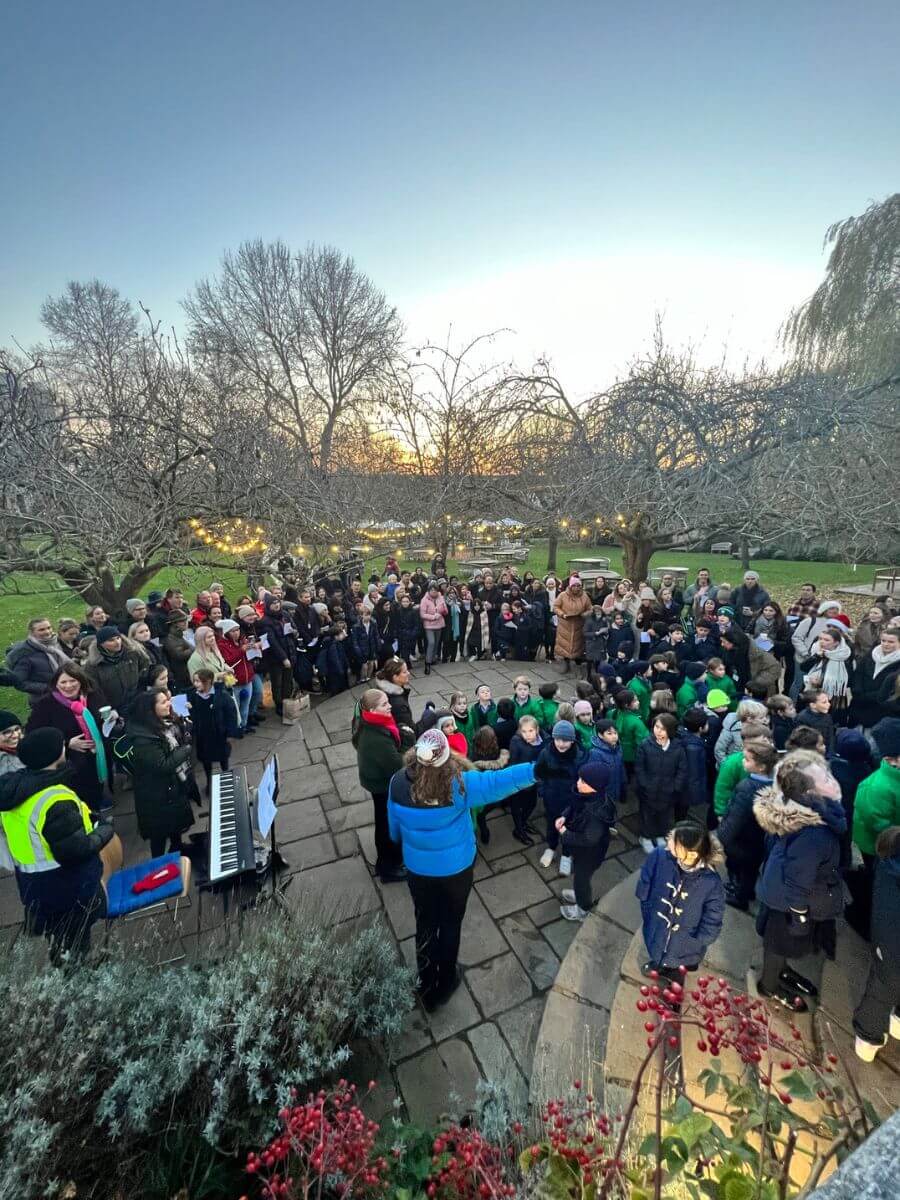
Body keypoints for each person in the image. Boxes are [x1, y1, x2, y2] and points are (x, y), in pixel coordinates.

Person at [387, 727, 537, 1009]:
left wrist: (402, 844)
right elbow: (498, 781)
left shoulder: (396, 783)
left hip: (419, 871)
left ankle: (426, 982)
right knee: (451, 922)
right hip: (456, 870)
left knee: (425, 922)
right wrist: (536, 770)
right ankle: (445, 982)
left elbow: (393, 828)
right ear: (447, 758)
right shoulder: (459, 784)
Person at [0, 727, 115, 963]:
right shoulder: (53, 798)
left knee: (61, 938)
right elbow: (75, 850)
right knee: (76, 940)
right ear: (54, 755)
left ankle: (64, 965)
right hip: (66, 888)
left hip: (35, 887)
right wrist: (105, 830)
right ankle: (78, 980)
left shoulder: (16, 790)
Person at [753, 752, 846, 1011]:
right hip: (788, 898)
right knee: (778, 943)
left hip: (782, 888)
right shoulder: (813, 834)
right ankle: (769, 986)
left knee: (780, 944)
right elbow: (797, 877)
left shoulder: (804, 813)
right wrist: (799, 916)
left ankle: (781, 971)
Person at [636, 821, 725, 979]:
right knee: (658, 947)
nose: (668, 841)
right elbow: (646, 876)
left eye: (674, 841)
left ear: (691, 854)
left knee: (678, 969)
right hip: (658, 922)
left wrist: (702, 938)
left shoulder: (711, 882)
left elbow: (714, 914)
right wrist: (645, 901)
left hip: (686, 941)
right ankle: (658, 964)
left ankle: (674, 991)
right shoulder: (660, 855)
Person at [25, 665, 110, 814]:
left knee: (96, 787)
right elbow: (34, 734)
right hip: (71, 762)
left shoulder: (93, 695)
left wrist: (111, 719)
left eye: (73, 681)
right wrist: (67, 743)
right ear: (55, 684)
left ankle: (97, 807)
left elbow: (104, 712)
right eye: (63, 682)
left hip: (97, 754)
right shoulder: (46, 704)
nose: (68, 686)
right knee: (79, 798)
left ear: (81, 681)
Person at [126, 688, 195, 858]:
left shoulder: (161, 723)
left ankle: (178, 847)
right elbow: (163, 765)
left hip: (171, 788)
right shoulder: (143, 739)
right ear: (150, 709)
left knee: (175, 824)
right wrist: (185, 748)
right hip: (157, 794)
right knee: (159, 834)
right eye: (163, 702)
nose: (169, 704)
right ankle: (158, 864)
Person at [852, 826, 900, 1062]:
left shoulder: (889, 866)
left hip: (889, 946)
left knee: (884, 986)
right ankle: (868, 1038)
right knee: (882, 989)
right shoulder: (891, 871)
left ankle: (887, 1026)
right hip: (892, 948)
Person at [353, 689, 407, 883]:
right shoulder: (376, 738)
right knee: (386, 825)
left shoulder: (373, 723)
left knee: (383, 820)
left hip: (377, 780)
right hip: (383, 786)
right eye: (384, 704)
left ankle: (390, 860)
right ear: (372, 710)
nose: (390, 706)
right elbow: (398, 765)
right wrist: (409, 744)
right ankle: (387, 867)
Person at [718, 738, 778, 911]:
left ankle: (740, 896)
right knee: (751, 870)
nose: (743, 761)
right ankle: (746, 890)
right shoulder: (775, 785)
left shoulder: (747, 788)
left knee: (739, 868)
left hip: (742, 840)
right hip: (760, 839)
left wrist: (722, 837)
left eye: (747, 759)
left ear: (760, 767)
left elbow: (736, 818)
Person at [556, 760, 617, 920]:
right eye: (579, 778)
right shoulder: (588, 797)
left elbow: (589, 839)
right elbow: (574, 807)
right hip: (583, 852)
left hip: (589, 855)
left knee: (581, 881)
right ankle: (579, 895)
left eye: (583, 781)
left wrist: (564, 833)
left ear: (595, 786)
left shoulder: (595, 814)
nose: (578, 782)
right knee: (580, 877)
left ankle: (582, 909)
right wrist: (564, 815)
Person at [535, 720, 586, 872]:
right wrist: (542, 791)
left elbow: (582, 780)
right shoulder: (546, 753)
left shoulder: (579, 757)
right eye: (558, 739)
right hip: (551, 799)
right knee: (551, 825)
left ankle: (566, 854)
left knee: (569, 828)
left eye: (565, 740)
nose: (561, 743)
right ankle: (551, 847)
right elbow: (539, 773)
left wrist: (577, 799)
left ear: (572, 740)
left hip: (571, 803)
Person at [635, 712, 689, 853]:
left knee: (664, 815)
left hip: (668, 791)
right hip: (648, 790)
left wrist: (675, 787)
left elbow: (682, 769)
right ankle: (645, 837)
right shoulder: (645, 745)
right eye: (657, 727)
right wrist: (645, 784)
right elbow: (640, 768)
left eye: (663, 728)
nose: (658, 731)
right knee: (647, 814)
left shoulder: (678, 748)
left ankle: (659, 835)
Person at [187, 669, 238, 792]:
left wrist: (230, 733)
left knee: (223, 758)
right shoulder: (194, 696)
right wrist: (190, 709)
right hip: (203, 735)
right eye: (195, 681)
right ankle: (210, 782)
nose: (196, 684)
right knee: (206, 760)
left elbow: (231, 715)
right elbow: (194, 715)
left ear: (208, 681)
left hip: (219, 734)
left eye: (198, 681)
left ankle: (226, 777)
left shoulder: (222, 696)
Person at [5, 617, 73, 707]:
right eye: (41, 630)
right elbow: (19, 683)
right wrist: (49, 688)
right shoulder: (25, 654)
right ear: (32, 632)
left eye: (49, 628)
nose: (47, 632)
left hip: (68, 693)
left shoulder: (56, 644)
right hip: (44, 701)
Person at [84, 625, 148, 714]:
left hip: (138, 700)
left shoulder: (132, 652)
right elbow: (94, 692)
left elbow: (144, 667)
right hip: (115, 709)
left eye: (118, 638)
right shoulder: (93, 665)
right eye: (111, 640)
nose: (117, 642)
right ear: (101, 644)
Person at [849, 628, 900, 729]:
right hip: (858, 705)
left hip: (880, 710)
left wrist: (868, 697)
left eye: (891, 642)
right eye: (883, 641)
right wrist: (857, 691)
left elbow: (893, 688)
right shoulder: (872, 654)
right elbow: (859, 673)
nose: (886, 644)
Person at [800, 625, 853, 719]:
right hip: (812, 693)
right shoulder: (816, 650)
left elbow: (849, 681)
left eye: (826, 640)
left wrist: (823, 681)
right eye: (820, 638)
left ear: (836, 643)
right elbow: (803, 667)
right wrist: (816, 656)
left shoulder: (844, 656)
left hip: (834, 696)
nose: (822, 642)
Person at [215, 618, 257, 733]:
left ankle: (243, 725)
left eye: (238, 630)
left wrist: (255, 649)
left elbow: (249, 658)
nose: (236, 633)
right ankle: (235, 727)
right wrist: (241, 651)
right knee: (236, 706)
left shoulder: (243, 641)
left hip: (247, 678)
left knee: (245, 705)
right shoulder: (221, 645)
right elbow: (227, 661)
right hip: (233, 680)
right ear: (226, 632)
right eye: (233, 631)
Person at [507, 715, 543, 845]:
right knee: (517, 807)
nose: (527, 735)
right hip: (519, 782)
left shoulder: (541, 741)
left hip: (533, 780)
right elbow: (513, 763)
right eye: (524, 731)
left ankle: (523, 822)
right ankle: (518, 830)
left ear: (537, 730)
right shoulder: (516, 742)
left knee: (532, 804)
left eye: (531, 731)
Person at [258, 596, 296, 715]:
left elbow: (293, 627)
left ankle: (287, 701)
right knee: (278, 682)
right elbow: (271, 642)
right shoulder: (265, 621)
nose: (276, 605)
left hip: (289, 649)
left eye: (277, 602)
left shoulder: (284, 614)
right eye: (273, 603)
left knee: (288, 680)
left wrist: (295, 631)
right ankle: (279, 705)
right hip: (275, 657)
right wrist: (283, 658)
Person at [554, 576, 592, 673]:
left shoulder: (585, 596)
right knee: (564, 644)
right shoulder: (562, 595)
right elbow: (556, 607)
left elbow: (589, 609)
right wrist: (562, 614)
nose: (576, 588)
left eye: (578, 586)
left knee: (578, 645)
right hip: (565, 624)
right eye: (574, 585)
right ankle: (565, 662)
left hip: (579, 624)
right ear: (570, 586)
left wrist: (584, 614)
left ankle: (576, 663)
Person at [609, 689, 650, 780]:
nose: (638, 702)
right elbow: (643, 741)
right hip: (633, 754)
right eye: (635, 701)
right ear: (627, 705)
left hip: (621, 751)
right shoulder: (636, 722)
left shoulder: (616, 713)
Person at [714, 698, 768, 766]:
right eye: (761, 718)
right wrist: (728, 766)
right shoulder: (731, 729)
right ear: (749, 719)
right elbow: (719, 750)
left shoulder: (760, 728)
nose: (765, 720)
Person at [375, 658, 416, 744]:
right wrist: (428, 717)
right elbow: (411, 731)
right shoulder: (397, 703)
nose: (408, 673)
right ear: (395, 677)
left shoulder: (385, 691)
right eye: (404, 672)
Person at [419, 582, 448, 676]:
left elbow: (445, 611)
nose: (434, 592)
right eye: (432, 590)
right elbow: (422, 614)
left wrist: (443, 610)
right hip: (429, 625)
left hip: (439, 624)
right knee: (431, 642)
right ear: (429, 590)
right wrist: (433, 617)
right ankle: (427, 663)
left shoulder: (441, 597)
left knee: (436, 642)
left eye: (435, 590)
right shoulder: (424, 600)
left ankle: (433, 659)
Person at [162, 610, 193, 692]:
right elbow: (179, 655)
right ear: (174, 624)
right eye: (182, 621)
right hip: (181, 677)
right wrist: (194, 648)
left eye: (185, 620)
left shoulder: (181, 635)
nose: (185, 623)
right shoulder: (170, 638)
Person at [0, 710, 24, 777]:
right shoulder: (3, 760)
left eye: (17, 729)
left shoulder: (27, 746)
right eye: (7, 732)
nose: (15, 735)